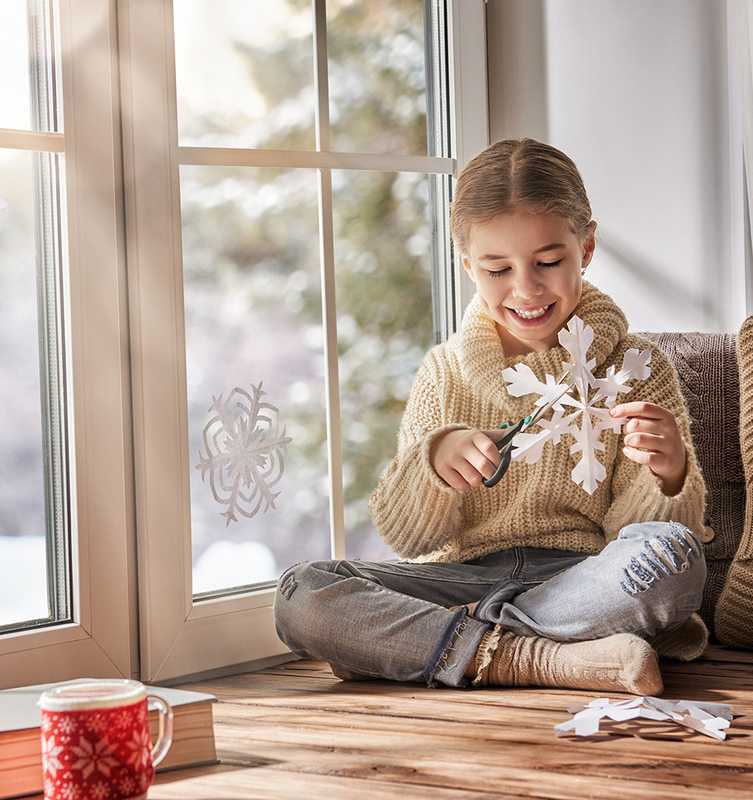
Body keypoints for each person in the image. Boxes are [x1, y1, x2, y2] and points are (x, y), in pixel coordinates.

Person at [274, 138, 708, 695]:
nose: (526, 288)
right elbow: (406, 538)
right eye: (497, 268)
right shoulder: (445, 373)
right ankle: (544, 660)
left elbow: (640, 535)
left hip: (581, 579)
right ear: (465, 263)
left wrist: (668, 474)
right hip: (461, 579)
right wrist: (433, 465)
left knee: (673, 557)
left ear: (588, 245)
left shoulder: (635, 366)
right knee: (300, 593)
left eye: (549, 262)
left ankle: (430, 647)